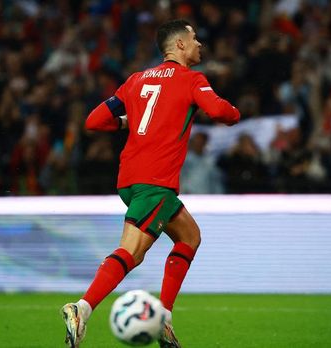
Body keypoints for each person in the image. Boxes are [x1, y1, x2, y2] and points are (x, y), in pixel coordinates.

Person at [61, 19, 240, 348]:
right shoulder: (192, 80)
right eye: (195, 38)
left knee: (190, 236)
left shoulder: (135, 80)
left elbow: (94, 120)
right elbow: (220, 113)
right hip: (154, 180)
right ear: (181, 45)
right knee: (132, 253)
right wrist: (234, 111)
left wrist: (127, 122)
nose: (200, 44)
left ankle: (165, 320)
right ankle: (81, 308)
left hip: (132, 177)